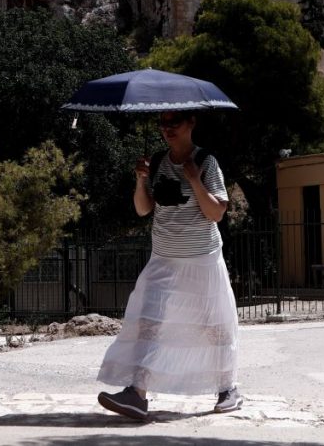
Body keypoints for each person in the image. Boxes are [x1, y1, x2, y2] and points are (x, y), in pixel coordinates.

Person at [97, 110, 242, 421]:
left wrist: (193, 179)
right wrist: (140, 181)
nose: (167, 129)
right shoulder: (159, 161)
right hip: (163, 258)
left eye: (174, 122)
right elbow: (143, 209)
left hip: (202, 259)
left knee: (214, 326)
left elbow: (216, 213)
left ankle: (227, 388)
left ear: (191, 123)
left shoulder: (207, 162)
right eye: (162, 123)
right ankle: (136, 393)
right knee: (148, 321)